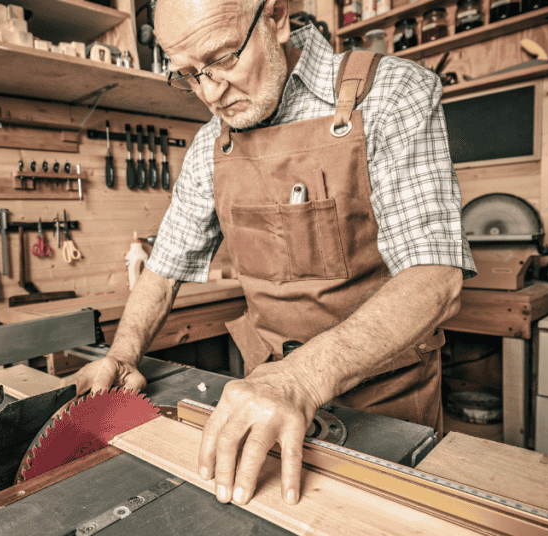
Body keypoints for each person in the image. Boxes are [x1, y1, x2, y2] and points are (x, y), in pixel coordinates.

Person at [64, 0, 475, 508]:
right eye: (189, 75)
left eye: (223, 59)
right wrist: (123, 354)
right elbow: (164, 268)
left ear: (277, 17)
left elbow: (435, 277)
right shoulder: (210, 146)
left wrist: (300, 378)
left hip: (387, 402)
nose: (210, 92)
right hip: (266, 397)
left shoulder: (392, 92)